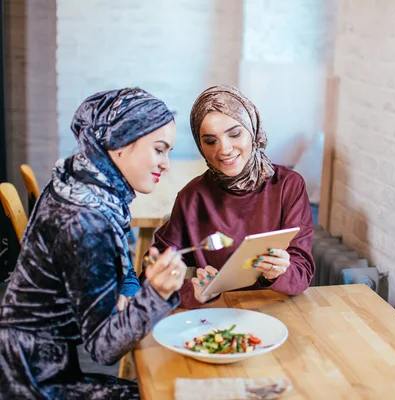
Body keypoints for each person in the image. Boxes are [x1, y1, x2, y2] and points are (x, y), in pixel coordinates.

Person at [0, 88, 187, 399]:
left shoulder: (84, 181)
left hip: (37, 359)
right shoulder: (86, 219)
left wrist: (131, 291)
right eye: (159, 149)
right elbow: (104, 348)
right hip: (31, 381)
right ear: (119, 144)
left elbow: (120, 265)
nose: (166, 164)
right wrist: (157, 294)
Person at [148, 85, 315, 308]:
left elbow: (301, 274)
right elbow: (152, 271)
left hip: (277, 310)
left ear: (253, 131)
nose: (224, 149)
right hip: (216, 315)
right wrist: (193, 292)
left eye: (235, 134)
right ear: (200, 145)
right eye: (210, 141)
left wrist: (281, 272)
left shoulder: (287, 185)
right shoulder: (192, 198)